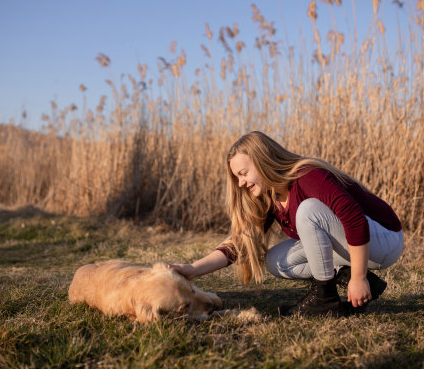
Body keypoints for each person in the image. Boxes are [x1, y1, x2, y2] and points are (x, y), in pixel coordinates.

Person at [168, 131, 403, 316]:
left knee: (308, 210)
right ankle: (344, 280)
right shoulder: (270, 196)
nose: (240, 183)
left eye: (244, 173)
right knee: (276, 261)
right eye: (237, 177)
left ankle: (325, 299)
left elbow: (353, 218)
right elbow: (241, 243)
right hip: (355, 244)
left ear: (263, 162)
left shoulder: (307, 175)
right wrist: (193, 269)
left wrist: (358, 277)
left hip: (383, 240)